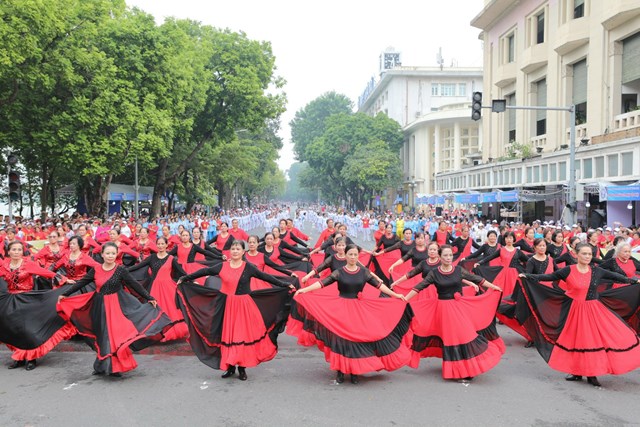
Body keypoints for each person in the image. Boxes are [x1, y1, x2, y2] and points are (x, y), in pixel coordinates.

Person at [519, 243, 640, 387]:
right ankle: (577, 371)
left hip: (594, 310)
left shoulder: (597, 271)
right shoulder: (567, 270)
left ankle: (592, 373)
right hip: (575, 311)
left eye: (589, 254)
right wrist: (528, 275)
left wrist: (633, 281)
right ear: (576, 255)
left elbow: (617, 276)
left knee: (593, 341)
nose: (587, 256)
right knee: (577, 341)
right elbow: (549, 276)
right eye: (584, 253)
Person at [289, 244, 412, 384]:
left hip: (357, 309)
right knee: (341, 339)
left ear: (358, 256)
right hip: (342, 307)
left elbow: (379, 285)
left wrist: (395, 294)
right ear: (345, 255)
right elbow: (322, 283)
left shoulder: (364, 272)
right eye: (350, 254)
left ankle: (354, 372)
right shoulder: (339, 272)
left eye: (355, 255)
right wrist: (304, 290)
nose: (353, 257)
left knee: (356, 339)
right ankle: (340, 371)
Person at [176, 240, 295, 381]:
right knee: (228, 336)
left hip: (244, 306)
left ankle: (242, 368)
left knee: (241, 336)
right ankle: (230, 366)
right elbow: (204, 271)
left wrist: (285, 284)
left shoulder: (248, 267)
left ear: (243, 252)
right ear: (229, 251)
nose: (235, 251)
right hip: (227, 305)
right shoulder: (222, 266)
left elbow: (266, 277)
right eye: (233, 249)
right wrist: (185, 278)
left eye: (238, 249)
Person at [57, 242, 172, 377]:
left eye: (113, 253)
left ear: (117, 254)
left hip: (117, 307)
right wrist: (65, 294)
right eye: (107, 253)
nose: (110, 256)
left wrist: (148, 297)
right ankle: (101, 365)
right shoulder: (96, 269)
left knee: (114, 336)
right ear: (102, 255)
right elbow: (82, 282)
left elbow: (134, 284)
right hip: (99, 306)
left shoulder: (120, 270)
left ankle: (116, 366)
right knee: (102, 336)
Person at [403, 245, 504, 382]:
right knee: (452, 339)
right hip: (443, 310)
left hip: (458, 307)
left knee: (466, 335)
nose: (448, 258)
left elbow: (477, 279)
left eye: (450, 255)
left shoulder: (458, 270)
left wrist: (494, 287)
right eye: (445, 255)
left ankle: (467, 368)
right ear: (440, 256)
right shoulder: (434, 273)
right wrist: (404, 300)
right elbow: (419, 287)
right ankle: (460, 371)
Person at [0, 241, 75, 371]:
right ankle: (19, 357)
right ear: (9, 252)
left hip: (27, 300)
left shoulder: (28, 264)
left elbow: (45, 272)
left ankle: (31, 358)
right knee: (13, 329)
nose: (17, 252)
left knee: (28, 330)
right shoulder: (4, 265)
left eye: (19, 249)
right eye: (14, 250)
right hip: (11, 300)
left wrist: (64, 279)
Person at [128, 237, 189, 341]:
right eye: (159, 244)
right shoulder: (152, 257)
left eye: (162, 244)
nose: (160, 246)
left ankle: (171, 333)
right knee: (156, 309)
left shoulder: (171, 259)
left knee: (170, 309)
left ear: (166, 245)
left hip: (169, 288)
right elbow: (138, 266)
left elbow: (182, 272)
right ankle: (158, 334)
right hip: (155, 287)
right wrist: (122, 271)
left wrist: (190, 279)